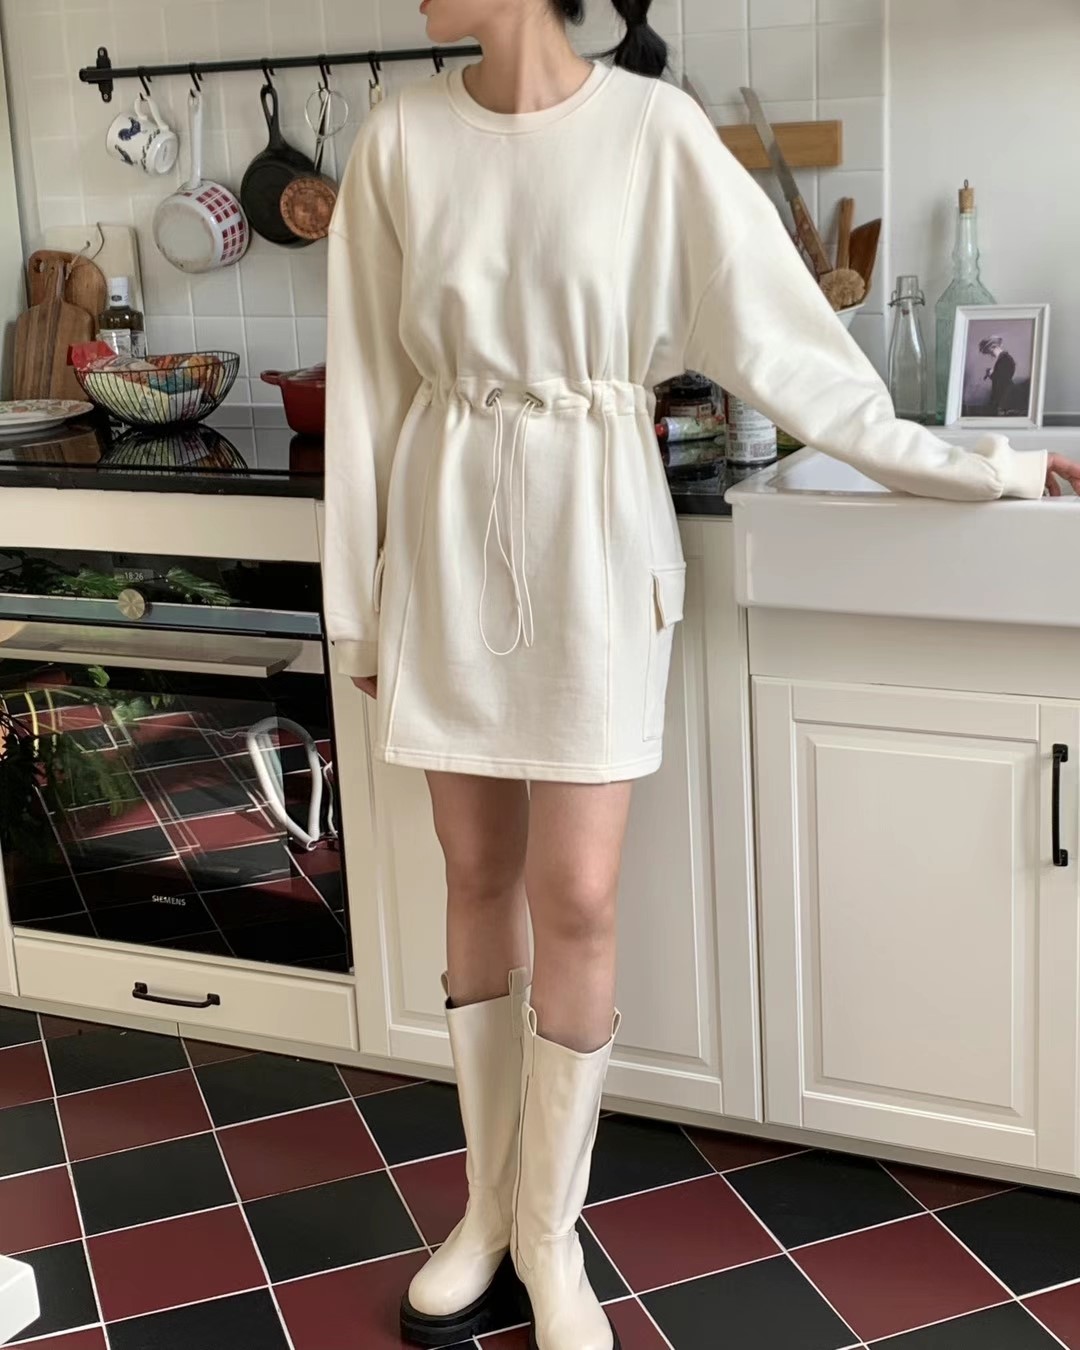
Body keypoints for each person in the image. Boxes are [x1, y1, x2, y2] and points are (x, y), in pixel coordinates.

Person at [324, 3, 1080, 1347]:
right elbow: (370, 388)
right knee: (473, 874)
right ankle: (487, 1210)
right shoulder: (396, 139)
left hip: (595, 538)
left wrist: (989, 465)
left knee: (578, 890)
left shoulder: (652, 131)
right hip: (447, 534)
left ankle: (549, 1234)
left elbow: (795, 350)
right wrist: (362, 612)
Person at [980, 335, 1018, 416]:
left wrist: (991, 374)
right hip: (1004, 397)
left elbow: (1002, 380)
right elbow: (1001, 377)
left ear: (993, 347)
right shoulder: (1003, 358)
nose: (990, 355)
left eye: (989, 352)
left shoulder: (1005, 359)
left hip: (1005, 398)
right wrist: (992, 374)